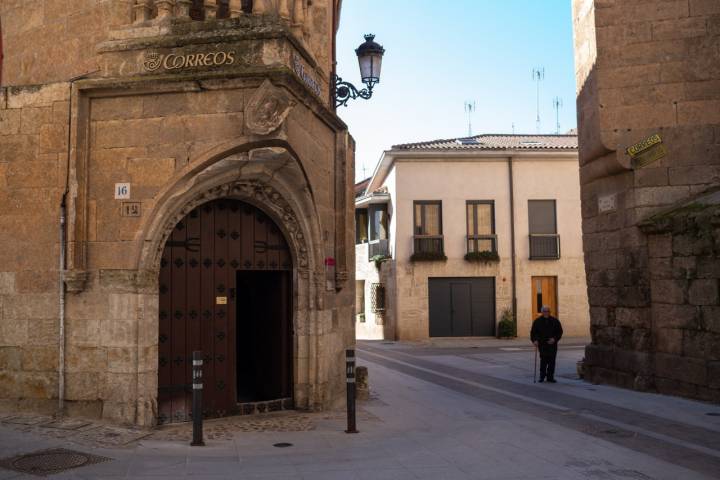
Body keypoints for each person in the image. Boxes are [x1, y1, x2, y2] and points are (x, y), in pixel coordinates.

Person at [531, 305, 563, 383]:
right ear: (542, 312)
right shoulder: (537, 321)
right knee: (543, 361)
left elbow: (559, 332)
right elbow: (533, 332)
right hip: (542, 344)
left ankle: (550, 377)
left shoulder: (555, 321)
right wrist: (535, 340)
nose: (546, 313)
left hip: (552, 344)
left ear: (550, 312)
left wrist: (554, 339)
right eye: (544, 311)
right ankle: (542, 376)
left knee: (552, 361)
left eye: (548, 311)